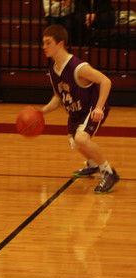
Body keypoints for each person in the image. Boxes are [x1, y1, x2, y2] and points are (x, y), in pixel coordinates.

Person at [40, 24, 119, 193]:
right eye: (44, 43)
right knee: (75, 142)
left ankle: (108, 172)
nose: (44, 47)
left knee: (82, 139)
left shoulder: (78, 67)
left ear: (60, 43)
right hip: (75, 111)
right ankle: (92, 165)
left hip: (92, 107)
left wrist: (99, 108)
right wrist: (41, 112)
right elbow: (58, 97)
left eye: (48, 43)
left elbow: (105, 81)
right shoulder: (53, 69)